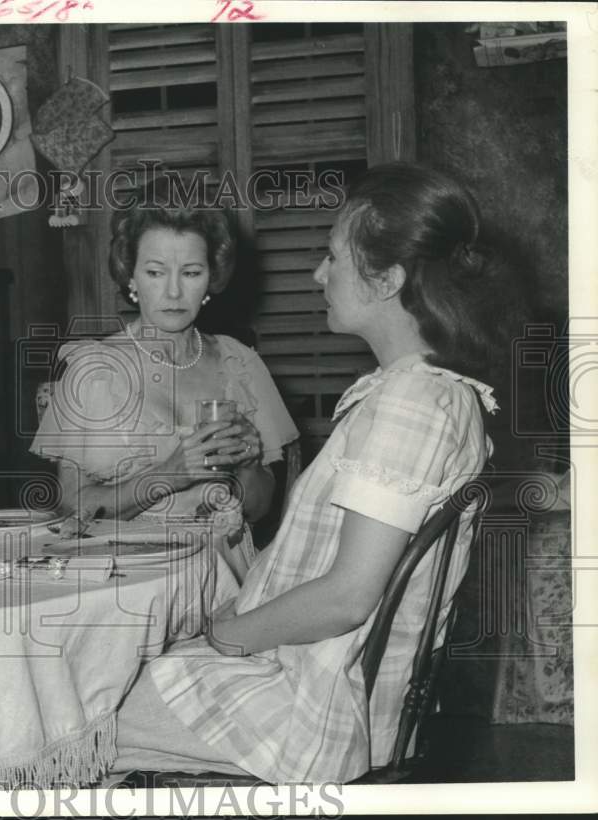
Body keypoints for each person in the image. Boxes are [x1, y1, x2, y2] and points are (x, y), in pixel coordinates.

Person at [110, 163, 523, 783]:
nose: (318, 274)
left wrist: (227, 637)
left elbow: (347, 597)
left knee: (66, 723)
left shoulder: (411, 404)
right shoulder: (426, 392)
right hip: (316, 677)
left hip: (319, 705)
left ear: (387, 279)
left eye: (333, 257)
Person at [31, 182, 299, 581]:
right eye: (155, 272)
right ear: (130, 275)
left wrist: (246, 463)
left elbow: (261, 507)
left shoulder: (239, 362)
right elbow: (73, 508)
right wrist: (171, 474)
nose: (174, 291)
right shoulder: (92, 368)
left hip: (228, 573)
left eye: (191, 272)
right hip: (129, 580)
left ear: (211, 278)